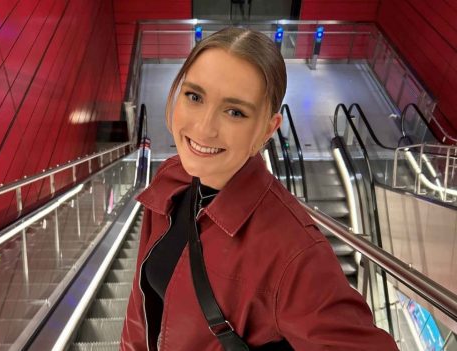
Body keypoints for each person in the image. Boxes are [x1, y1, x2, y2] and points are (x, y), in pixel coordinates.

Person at [120, 27, 398, 351]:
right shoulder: (172, 178)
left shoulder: (293, 250)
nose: (204, 128)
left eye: (235, 112)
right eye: (194, 96)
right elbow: (140, 309)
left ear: (268, 128)